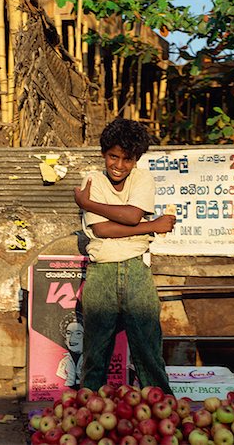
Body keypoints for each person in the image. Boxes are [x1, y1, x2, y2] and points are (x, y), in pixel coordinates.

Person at [74, 117, 176, 394]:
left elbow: (131, 215)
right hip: (102, 271)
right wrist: (153, 226)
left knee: (148, 346)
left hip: (135, 269)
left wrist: (88, 204)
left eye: (127, 159)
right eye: (113, 157)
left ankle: (161, 405)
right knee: (96, 350)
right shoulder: (92, 180)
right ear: (104, 154)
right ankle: (87, 408)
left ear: (136, 159)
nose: (119, 165)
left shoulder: (143, 178)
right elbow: (102, 229)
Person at [56, 311, 84, 388]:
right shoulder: (64, 362)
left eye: (78, 333)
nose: (72, 338)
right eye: (68, 333)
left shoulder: (91, 360)